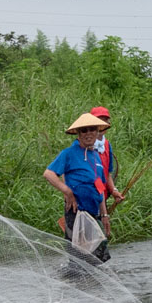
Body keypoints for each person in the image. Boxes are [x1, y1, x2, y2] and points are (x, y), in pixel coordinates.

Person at [44, 112, 113, 263]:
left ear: (97, 132)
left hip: (94, 214)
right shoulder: (69, 154)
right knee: (78, 258)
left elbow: (100, 188)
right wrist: (67, 191)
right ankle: (74, 283)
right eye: (84, 130)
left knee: (98, 258)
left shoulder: (96, 156)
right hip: (76, 213)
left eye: (92, 129)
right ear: (78, 133)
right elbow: (49, 174)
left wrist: (105, 215)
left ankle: (91, 286)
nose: (88, 134)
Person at [89, 105, 126, 229]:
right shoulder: (85, 144)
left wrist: (114, 191)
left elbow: (107, 174)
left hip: (102, 197)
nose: (102, 124)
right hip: (88, 197)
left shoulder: (106, 145)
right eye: (99, 120)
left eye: (105, 120)